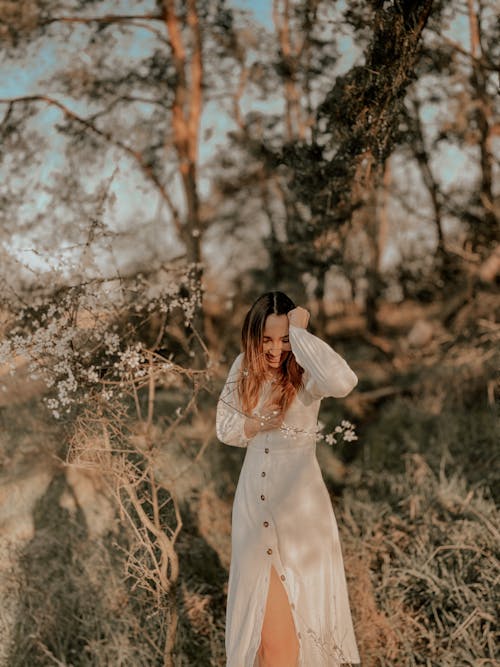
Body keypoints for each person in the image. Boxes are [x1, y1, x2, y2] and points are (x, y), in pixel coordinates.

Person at [216, 291, 361, 667]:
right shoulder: (242, 367)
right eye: (267, 339)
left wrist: (300, 334)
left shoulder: (307, 372)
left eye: (283, 339)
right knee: (267, 642)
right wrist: (259, 421)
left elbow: (343, 380)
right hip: (253, 507)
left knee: (292, 640)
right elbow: (225, 428)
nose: (276, 349)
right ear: (253, 336)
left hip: (300, 511)